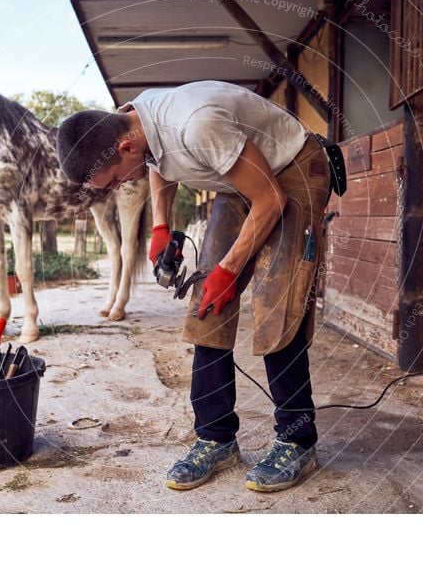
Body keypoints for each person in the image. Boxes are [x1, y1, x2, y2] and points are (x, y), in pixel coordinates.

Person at [56, 80, 340, 492]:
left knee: (278, 301)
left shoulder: (197, 125)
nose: (119, 187)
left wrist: (230, 269)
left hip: (292, 172)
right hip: (235, 179)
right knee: (206, 304)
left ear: (124, 148)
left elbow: (271, 200)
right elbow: (156, 164)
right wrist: (160, 226)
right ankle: (216, 437)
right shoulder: (130, 120)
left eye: (115, 180)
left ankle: (298, 440)